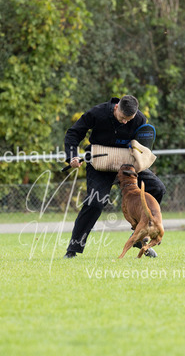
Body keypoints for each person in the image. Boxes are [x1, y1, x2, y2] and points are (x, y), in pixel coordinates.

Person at [63, 95, 166, 259]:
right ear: (116, 107)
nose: (125, 122)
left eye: (129, 120)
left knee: (157, 188)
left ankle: (138, 235)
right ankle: (72, 249)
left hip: (127, 165)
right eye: (123, 118)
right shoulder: (97, 113)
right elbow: (73, 132)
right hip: (100, 165)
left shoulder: (139, 119)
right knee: (95, 202)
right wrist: (72, 156)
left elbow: (142, 145)